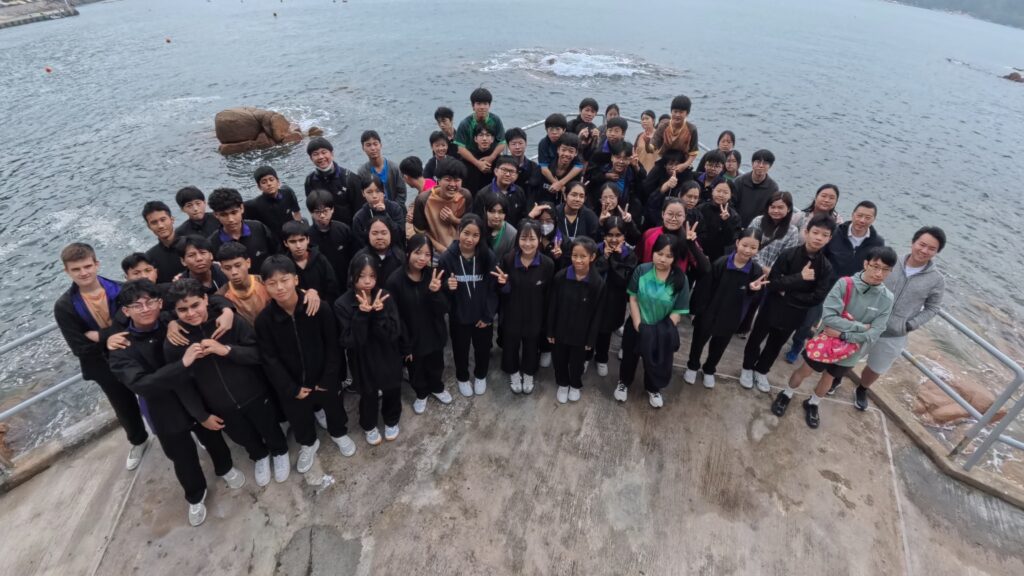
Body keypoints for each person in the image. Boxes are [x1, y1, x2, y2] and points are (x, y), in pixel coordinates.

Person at [108, 280, 243, 527]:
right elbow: (141, 384)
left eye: (150, 302)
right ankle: (195, 495)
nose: (145, 309)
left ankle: (225, 468)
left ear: (160, 303)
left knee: (213, 436)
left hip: (197, 397)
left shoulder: (172, 318)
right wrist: (183, 363)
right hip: (163, 409)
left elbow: (206, 297)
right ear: (126, 311)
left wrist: (227, 310)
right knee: (181, 456)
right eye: (137, 305)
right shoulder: (121, 347)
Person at [163, 278, 291, 487]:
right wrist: (201, 415)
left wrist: (226, 350)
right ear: (175, 312)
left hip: (254, 392)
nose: (191, 313)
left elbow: (259, 354)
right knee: (242, 436)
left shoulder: (230, 322)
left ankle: (280, 451)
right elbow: (182, 385)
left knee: (269, 426)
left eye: (195, 305)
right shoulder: (175, 343)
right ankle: (259, 455)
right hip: (219, 405)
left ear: (206, 299)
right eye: (183, 310)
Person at [773, 246, 896, 428]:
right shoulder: (845, 284)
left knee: (829, 378)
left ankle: (813, 403)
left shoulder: (887, 298)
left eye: (886, 269)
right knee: (805, 370)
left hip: (851, 350)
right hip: (826, 343)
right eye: (875, 266)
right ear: (865, 264)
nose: (879, 273)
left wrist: (844, 335)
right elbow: (829, 317)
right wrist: (861, 327)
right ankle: (786, 393)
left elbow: (875, 332)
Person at [255, 256, 357, 469]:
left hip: (324, 378)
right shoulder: (264, 321)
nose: (279, 287)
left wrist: (328, 378)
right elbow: (270, 359)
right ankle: (309, 444)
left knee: (335, 409)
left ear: (296, 279)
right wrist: (290, 388)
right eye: (272, 283)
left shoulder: (319, 308)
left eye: (284, 280)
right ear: (264, 286)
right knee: (299, 418)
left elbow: (333, 345)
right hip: (293, 384)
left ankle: (339, 433)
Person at [54, 243, 148, 470]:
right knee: (123, 406)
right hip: (102, 365)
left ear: (97, 264)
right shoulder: (64, 306)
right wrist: (111, 337)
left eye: (87, 266)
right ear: (67, 271)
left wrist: (100, 336)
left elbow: (139, 322)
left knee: (155, 393)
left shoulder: (122, 290)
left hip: (136, 355)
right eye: (76, 269)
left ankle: (174, 430)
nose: (83, 273)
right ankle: (138, 441)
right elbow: (79, 347)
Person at [849, 227, 946, 410]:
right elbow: (864, 278)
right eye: (922, 244)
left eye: (931, 248)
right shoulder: (890, 262)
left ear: (937, 252)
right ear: (913, 242)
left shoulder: (936, 280)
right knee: (849, 355)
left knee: (876, 367)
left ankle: (862, 389)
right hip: (866, 324)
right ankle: (836, 379)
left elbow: (933, 307)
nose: (924, 250)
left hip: (894, 333)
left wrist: (909, 325)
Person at [741, 215, 836, 392]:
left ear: (829, 239)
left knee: (776, 344)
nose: (818, 238)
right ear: (806, 232)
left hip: (796, 312)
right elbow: (773, 283)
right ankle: (747, 367)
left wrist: (788, 293)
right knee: (756, 338)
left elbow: (817, 297)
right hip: (772, 306)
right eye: (815, 232)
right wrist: (799, 278)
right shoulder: (789, 254)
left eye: (824, 235)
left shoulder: (826, 267)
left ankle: (761, 370)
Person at [785, 199, 883, 364]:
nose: (862, 220)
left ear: (874, 219)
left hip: (850, 291)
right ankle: (797, 345)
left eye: (867, 217)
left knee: (837, 324)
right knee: (808, 319)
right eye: (859, 215)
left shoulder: (877, 242)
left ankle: (824, 351)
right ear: (853, 214)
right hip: (825, 285)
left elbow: (873, 267)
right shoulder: (837, 232)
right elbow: (820, 254)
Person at [334, 254, 404, 444]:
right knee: (368, 394)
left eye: (372, 276)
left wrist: (379, 314)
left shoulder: (385, 296)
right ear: (352, 276)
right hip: (362, 358)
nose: (367, 281)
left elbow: (393, 333)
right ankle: (369, 425)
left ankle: (391, 419)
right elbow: (349, 340)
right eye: (362, 276)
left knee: (392, 389)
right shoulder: (342, 304)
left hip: (387, 354)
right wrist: (361, 315)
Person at [686, 229, 768, 388]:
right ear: (737, 243)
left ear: (758, 249)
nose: (747, 250)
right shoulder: (721, 263)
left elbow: (753, 299)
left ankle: (709, 369)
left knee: (719, 346)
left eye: (753, 247)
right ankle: (692, 366)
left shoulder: (756, 271)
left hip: (732, 316)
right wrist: (698, 311)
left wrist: (752, 289)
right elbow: (704, 288)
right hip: (709, 312)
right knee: (698, 342)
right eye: (744, 245)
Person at [614, 234, 688, 407]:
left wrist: (660, 331)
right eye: (659, 253)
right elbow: (633, 298)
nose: (662, 259)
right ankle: (624, 382)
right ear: (653, 252)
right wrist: (638, 325)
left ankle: (653, 388)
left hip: (662, 330)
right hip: (637, 325)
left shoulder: (680, 279)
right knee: (629, 357)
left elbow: (678, 311)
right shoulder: (642, 270)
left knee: (656, 361)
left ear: (675, 258)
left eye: (669, 256)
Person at [386, 235, 453, 414]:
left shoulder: (433, 275)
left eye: (427, 254)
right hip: (412, 338)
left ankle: (437, 387)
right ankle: (421, 393)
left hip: (434, 333)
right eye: (418, 253)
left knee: (436, 364)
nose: (422, 258)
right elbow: (395, 316)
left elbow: (444, 308)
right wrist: (405, 345)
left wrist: (435, 292)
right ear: (408, 252)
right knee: (416, 369)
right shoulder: (395, 281)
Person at [438, 214, 498, 398]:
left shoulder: (487, 256)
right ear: (459, 231)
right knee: (460, 350)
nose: (470, 239)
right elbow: (440, 291)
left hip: (482, 317)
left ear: (481, 237)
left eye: (475, 235)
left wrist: (488, 316)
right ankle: (462, 377)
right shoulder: (446, 258)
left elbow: (493, 289)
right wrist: (447, 286)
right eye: (466, 233)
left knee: (483, 349)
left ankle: (480, 375)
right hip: (459, 317)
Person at [495, 221, 554, 394]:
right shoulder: (508, 260)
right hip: (512, 312)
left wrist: (547, 321)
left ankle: (528, 373)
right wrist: (503, 285)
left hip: (535, 314)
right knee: (511, 344)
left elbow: (549, 295)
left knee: (531, 345)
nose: (527, 243)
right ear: (517, 239)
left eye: (532, 239)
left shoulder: (547, 264)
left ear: (540, 239)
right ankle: (513, 372)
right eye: (523, 238)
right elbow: (502, 291)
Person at [548, 237, 606, 404]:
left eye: (583, 256)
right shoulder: (560, 277)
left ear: (592, 257)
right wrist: (550, 330)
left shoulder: (597, 283)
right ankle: (563, 383)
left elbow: (597, 314)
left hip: (582, 334)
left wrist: (591, 339)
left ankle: (575, 384)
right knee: (559, 359)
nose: (578, 260)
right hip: (560, 330)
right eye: (575, 255)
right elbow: (552, 306)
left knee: (577, 363)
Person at [736, 191, 802, 336]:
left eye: (780, 207)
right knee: (741, 296)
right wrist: (763, 268)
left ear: (789, 209)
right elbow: (748, 245)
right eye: (772, 207)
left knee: (757, 302)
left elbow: (787, 256)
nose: (776, 211)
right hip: (750, 267)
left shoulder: (792, 231)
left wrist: (771, 271)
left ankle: (744, 328)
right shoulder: (758, 221)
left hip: (771, 275)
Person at [592, 216, 638, 377]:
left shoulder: (629, 255)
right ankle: (586, 356)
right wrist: (604, 257)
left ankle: (602, 358)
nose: (613, 239)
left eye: (618, 235)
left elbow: (623, 280)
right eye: (610, 235)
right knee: (590, 328)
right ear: (604, 235)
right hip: (594, 298)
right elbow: (591, 273)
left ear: (624, 236)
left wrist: (616, 259)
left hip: (614, 301)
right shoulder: (596, 249)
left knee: (605, 331)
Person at [411, 157, 472, 255]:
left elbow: (470, 225)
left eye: (457, 180)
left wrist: (454, 220)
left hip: (461, 248)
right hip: (434, 251)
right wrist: (440, 248)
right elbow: (420, 232)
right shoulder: (423, 199)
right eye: (447, 179)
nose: (452, 184)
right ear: (438, 180)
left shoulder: (465, 196)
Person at [207, 187, 277, 273]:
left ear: (242, 208)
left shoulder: (259, 228)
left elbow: (277, 254)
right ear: (215, 215)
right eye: (224, 215)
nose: (230, 219)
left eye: (234, 212)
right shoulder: (212, 244)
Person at [304, 137, 363, 226]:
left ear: (332, 154)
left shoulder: (350, 178)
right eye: (315, 154)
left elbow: (360, 211)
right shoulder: (310, 181)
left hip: (349, 229)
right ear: (311, 158)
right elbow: (312, 210)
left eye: (324, 152)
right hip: (324, 230)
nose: (321, 157)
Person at [306, 190, 355, 292]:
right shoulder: (307, 236)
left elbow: (354, 255)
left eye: (325, 211)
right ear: (311, 213)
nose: (322, 216)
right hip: (322, 286)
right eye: (317, 212)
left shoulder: (343, 229)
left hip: (346, 281)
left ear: (332, 210)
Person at [454, 88, 506, 183]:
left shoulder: (496, 120)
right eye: (478, 104)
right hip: (471, 158)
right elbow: (461, 149)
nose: (482, 107)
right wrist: (477, 163)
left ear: (489, 105)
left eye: (485, 104)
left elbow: (502, 142)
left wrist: (491, 158)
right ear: (473, 106)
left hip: (491, 155)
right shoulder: (465, 123)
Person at [281, 220, 340, 305]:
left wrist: (323, 306)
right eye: (293, 242)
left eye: (301, 240)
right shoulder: (283, 266)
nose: (298, 246)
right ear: (286, 243)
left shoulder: (320, 260)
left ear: (308, 239)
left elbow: (332, 288)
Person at [586, 141, 646, 220]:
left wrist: (636, 167)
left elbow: (644, 182)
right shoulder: (602, 171)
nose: (621, 162)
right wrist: (604, 176)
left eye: (625, 159)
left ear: (630, 160)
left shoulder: (632, 174)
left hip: (624, 216)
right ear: (612, 158)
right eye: (618, 157)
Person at [216, 242, 271, 325]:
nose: (234, 272)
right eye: (227, 268)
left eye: (238, 265)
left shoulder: (265, 282)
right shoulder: (221, 297)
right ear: (222, 269)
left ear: (248, 263)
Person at [652, 95, 700, 182]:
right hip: (665, 161)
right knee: (647, 183)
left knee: (689, 185)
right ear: (671, 111)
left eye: (681, 112)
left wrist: (685, 165)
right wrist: (647, 144)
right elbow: (653, 146)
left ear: (687, 113)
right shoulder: (663, 126)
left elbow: (694, 152)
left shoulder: (692, 129)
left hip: (683, 162)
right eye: (675, 111)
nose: (677, 115)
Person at [351, 174, 406, 250]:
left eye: (378, 191)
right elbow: (360, 244)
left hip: (394, 251)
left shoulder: (395, 208)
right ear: (363, 193)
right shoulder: (359, 217)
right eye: (369, 192)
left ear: (383, 191)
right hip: (370, 253)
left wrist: (384, 213)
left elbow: (400, 235)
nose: (374, 196)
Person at [244, 166, 302, 237]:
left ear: (278, 181)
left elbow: (297, 212)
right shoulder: (254, 205)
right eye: (264, 182)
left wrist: (299, 231)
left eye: (271, 180)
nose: (269, 184)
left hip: (291, 236)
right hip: (271, 240)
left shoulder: (287, 193)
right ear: (259, 187)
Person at [357, 130, 408, 209]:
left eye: (375, 144)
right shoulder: (362, 172)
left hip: (397, 211)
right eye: (368, 145)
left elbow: (402, 193)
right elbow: (363, 197)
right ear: (363, 148)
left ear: (380, 145)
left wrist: (392, 209)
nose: (373, 148)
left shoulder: (394, 168)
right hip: (375, 212)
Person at [472, 156, 528, 227]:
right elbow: (478, 221)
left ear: (517, 175)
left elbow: (522, 217)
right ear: (496, 171)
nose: (507, 174)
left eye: (511, 171)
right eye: (504, 170)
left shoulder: (519, 192)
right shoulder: (483, 194)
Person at [695, 180, 742, 262]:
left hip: (719, 257)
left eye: (725, 192)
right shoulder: (701, 208)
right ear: (713, 191)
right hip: (698, 252)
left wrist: (726, 221)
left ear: (730, 195)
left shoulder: (734, 216)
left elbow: (731, 240)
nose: (721, 195)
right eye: (718, 191)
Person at [733, 149, 780, 227]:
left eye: (765, 163)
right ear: (752, 163)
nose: (761, 166)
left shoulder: (773, 188)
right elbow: (731, 204)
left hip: (757, 227)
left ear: (770, 166)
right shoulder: (739, 181)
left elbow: (770, 211)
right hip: (735, 224)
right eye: (758, 162)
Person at [141, 201, 185, 284]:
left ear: (172, 219)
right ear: (149, 227)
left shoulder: (191, 245)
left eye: (163, 220)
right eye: (154, 222)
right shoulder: (149, 257)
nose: (160, 226)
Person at [353, 218, 405, 283]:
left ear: (391, 234)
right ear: (368, 235)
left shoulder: (400, 256)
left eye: (384, 233)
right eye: (374, 233)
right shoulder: (360, 257)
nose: (379, 237)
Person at [537, 133, 584, 205]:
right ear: (558, 150)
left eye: (571, 151)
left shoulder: (577, 174)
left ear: (576, 153)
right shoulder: (545, 168)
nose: (566, 154)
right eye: (563, 150)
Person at [554, 181, 600, 245]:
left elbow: (594, 241)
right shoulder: (555, 213)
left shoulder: (590, 216)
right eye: (574, 195)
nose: (577, 199)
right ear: (565, 196)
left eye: (581, 196)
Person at [504, 127, 539, 199]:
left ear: (526, 144)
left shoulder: (534, 167)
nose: (517, 147)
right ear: (508, 146)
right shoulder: (503, 166)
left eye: (520, 143)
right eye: (513, 144)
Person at [482, 194, 517, 263]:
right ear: (485, 210)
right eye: (492, 211)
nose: (496, 216)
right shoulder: (479, 228)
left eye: (500, 212)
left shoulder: (512, 234)